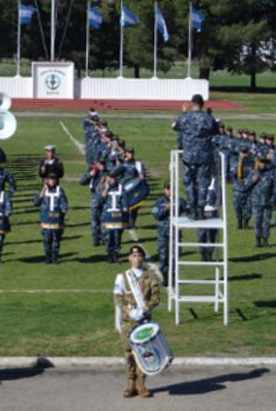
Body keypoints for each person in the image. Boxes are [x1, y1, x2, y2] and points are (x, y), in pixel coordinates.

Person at [112, 245, 160, 399]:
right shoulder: (122, 276)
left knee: (145, 353)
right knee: (128, 353)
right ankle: (130, 384)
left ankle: (141, 384)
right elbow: (117, 298)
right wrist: (129, 311)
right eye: (134, 256)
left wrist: (145, 309)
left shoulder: (150, 276)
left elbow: (156, 298)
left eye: (139, 256)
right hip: (128, 321)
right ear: (129, 258)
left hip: (144, 320)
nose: (137, 258)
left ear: (143, 258)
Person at [171, 94, 219, 215]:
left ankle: (192, 206)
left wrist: (183, 113)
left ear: (192, 104)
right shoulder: (207, 118)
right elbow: (216, 131)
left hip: (189, 156)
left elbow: (175, 126)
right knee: (203, 182)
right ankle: (200, 209)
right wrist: (210, 115)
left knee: (189, 181)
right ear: (202, 104)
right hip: (204, 156)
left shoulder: (185, 117)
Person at [151, 182, 185, 286]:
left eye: (171, 188)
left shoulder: (180, 200)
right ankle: (166, 278)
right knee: (163, 257)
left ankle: (173, 278)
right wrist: (166, 208)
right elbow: (156, 215)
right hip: (163, 233)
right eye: (168, 188)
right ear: (164, 190)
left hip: (175, 232)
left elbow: (188, 211)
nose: (170, 190)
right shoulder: (159, 201)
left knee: (175, 257)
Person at [33, 173, 68, 264]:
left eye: (54, 179)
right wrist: (43, 190)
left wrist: (63, 214)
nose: (52, 181)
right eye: (50, 179)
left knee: (56, 240)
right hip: (46, 220)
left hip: (57, 221)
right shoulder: (43, 191)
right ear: (47, 180)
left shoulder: (60, 191)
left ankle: (55, 257)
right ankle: (47, 257)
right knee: (47, 240)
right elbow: (36, 202)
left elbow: (64, 205)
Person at [81, 156, 109, 247]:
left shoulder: (108, 172)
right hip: (95, 199)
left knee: (104, 220)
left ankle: (105, 238)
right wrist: (90, 175)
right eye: (101, 163)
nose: (102, 165)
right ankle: (96, 238)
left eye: (104, 163)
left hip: (106, 199)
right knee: (95, 220)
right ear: (97, 164)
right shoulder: (93, 172)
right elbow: (82, 181)